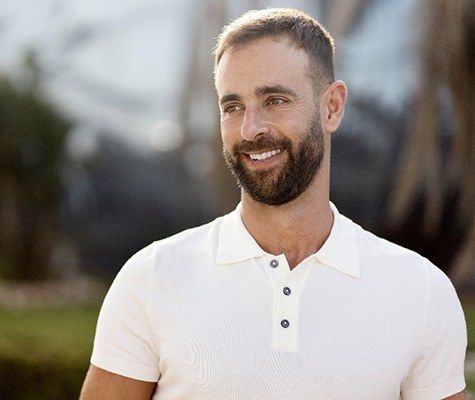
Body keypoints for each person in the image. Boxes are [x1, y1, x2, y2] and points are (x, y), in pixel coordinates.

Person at [80, 8, 467, 400]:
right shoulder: (150, 279)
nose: (251, 129)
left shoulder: (421, 292)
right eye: (232, 107)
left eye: (275, 100)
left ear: (332, 106)